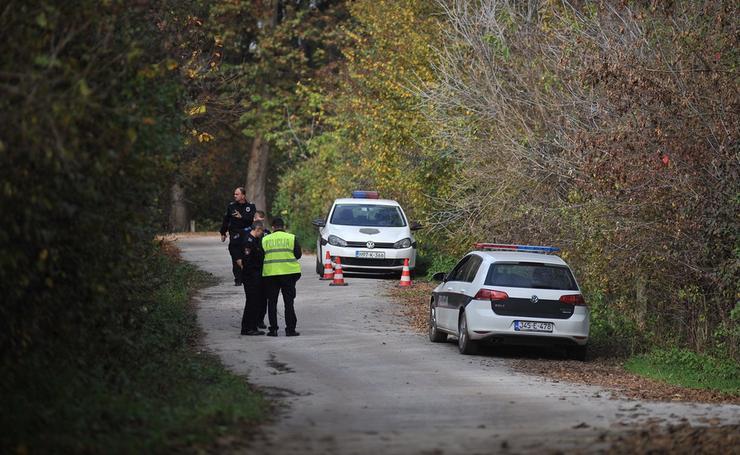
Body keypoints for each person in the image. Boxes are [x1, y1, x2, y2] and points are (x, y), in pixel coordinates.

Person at [261, 217, 302, 337]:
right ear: (283, 226)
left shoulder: (265, 239)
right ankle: (290, 329)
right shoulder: (291, 238)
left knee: (272, 302)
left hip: (271, 274)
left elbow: (261, 256)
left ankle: (273, 330)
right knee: (289, 302)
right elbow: (298, 255)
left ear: (272, 227)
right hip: (288, 274)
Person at [219, 187, 256, 285]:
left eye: (237, 194)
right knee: (236, 256)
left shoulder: (251, 206)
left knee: (247, 256)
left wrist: (241, 217)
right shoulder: (231, 206)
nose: (235, 196)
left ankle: (247, 277)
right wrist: (223, 233)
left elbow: (252, 220)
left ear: (243, 196)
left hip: (247, 234)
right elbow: (226, 220)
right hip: (235, 234)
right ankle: (238, 279)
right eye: (234, 194)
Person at [237, 221, 266, 336]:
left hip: (256, 275)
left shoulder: (255, 241)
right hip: (251, 277)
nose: (262, 233)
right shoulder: (248, 241)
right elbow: (247, 261)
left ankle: (252, 327)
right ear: (257, 229)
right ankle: (247, 328)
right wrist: (253, 276)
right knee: (252, 302)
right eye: (261, 231)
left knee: (255, 302)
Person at [253, 210, 269, 329]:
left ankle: (260, 320)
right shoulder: (249, 232)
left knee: (264, 297)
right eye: (257, 219)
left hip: (266, 268)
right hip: (253, 269)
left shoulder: (267, 233)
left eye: (261, 220)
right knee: (254, 297)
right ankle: (253, 319)